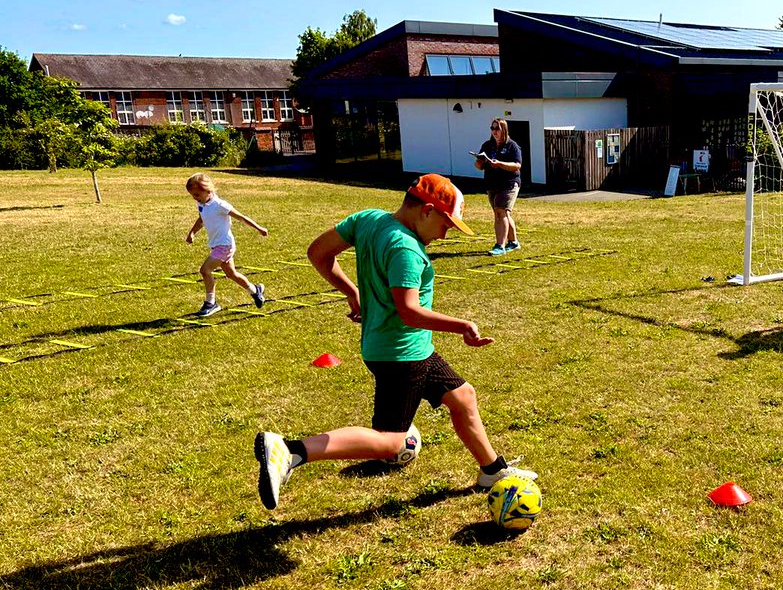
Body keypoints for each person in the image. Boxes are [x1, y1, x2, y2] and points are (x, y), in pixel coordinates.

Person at [254, 173, 537, 510]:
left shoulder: (368, 219)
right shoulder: (407, 250)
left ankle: (493, 471)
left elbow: (318, 253)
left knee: (463, 397)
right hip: (401, 353)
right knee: (391, 441)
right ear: (427, 210)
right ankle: (290, 451)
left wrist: (352, 293)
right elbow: (410, 312)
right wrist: (462, 325)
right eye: (446, 224)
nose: (446, 234)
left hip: (396, 346)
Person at [184, 172, 267, 317]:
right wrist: (192, 233)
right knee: (231, 274)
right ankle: (255, 290)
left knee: (205, 270)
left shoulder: (220, 205)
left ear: (208, 191)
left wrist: (259, 228)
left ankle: (211, 303)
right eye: (193, 195)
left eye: (197, 194)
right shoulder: (201, 203)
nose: (195, 198)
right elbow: (201, 219)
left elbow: (241, 217)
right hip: (216, 245)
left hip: (225, 245)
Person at [474, 118, 523, 256]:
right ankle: (513, 242)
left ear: (504, 130)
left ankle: (500, 246)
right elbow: (480, 165)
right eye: (492, 128)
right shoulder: (487, 145)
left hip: (509, 183)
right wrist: (479, 163)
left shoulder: (512, 146)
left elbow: (517, 165)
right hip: (492, 183)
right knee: (503, 214)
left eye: (497, 128)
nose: (494, 131)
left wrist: (500, 163)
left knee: (500, 211)